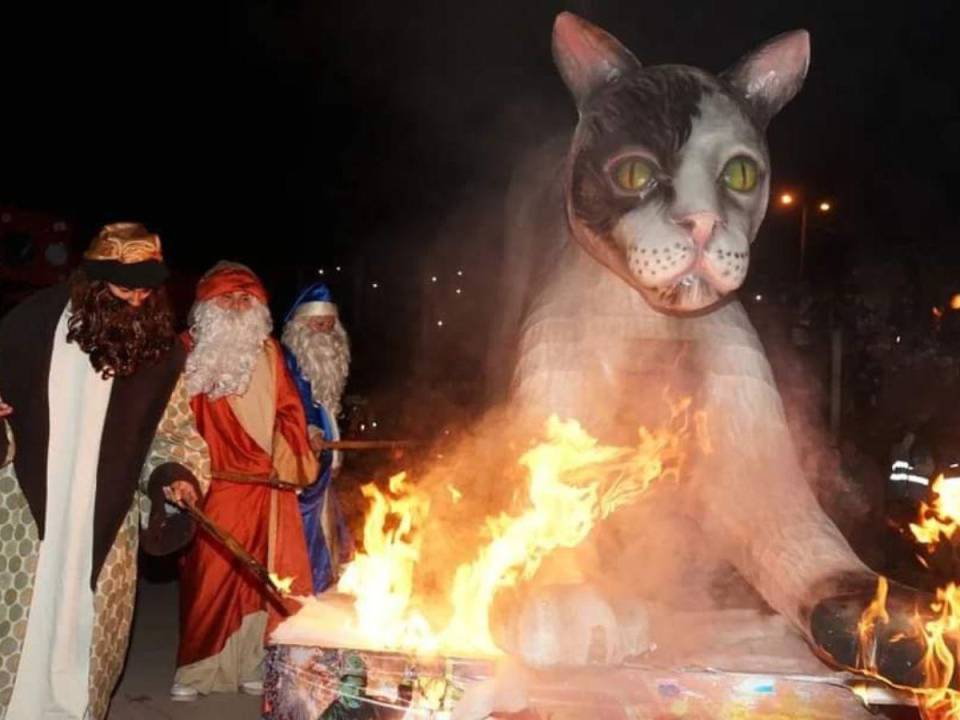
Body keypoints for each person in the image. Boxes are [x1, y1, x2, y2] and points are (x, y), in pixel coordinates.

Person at [0, 222, 209, 720]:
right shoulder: (27, 326)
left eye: (146, 288)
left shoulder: (160, 350)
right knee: (21, 617)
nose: (137, 300)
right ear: (93, 281)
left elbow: (173, 433)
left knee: (84, 626)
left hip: (104, 518)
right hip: (23, 512)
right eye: (123, 288)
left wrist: (174, 475)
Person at [173, 261, 317, 701]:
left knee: (263, 582)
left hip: (265, 486)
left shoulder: (270, 352)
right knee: (210, 578)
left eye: (246, 298)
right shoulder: (186, 350)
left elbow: (291, 411)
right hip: (213, 483)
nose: (237, 306)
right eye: (227, 298)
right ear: (207, 305)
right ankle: (196, 670)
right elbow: (170, 420)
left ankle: (253, 664)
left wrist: (288, 454)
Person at [281, 281, 353, 592]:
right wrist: (309, 429)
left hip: (323, 443)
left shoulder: (332, 360)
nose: (324, 329)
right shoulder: (288, 358)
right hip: (296, 445)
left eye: (329, 323)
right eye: (316, 322)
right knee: (304, 507)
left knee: (325, 504)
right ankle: (307, 576)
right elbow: (291, 401)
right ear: (301, 325)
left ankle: (324, 574)